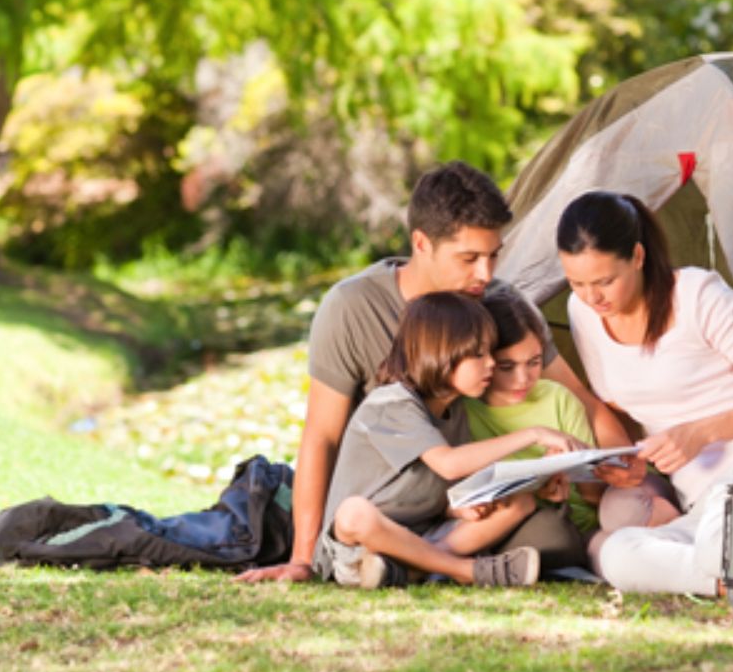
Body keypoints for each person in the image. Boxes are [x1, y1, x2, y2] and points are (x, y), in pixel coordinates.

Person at [238, 161, 635, 584]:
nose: (486, 274)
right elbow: (322, 435)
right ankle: (433, 565)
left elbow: (581, 401)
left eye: (494, 255)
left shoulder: (501, 303)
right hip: (389, 501)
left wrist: (624, 467)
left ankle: (406, 564)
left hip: (461, 505)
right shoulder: (352, 308)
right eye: (469, 258)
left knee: (551, 535)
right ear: (422, 243)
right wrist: (302, 558)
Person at [557, 190, 733, 595]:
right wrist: (634, 464)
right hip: (698, 506)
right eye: (576, 282)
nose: (592, 296)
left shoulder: (697, 296)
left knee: (729, 521)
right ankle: (731, 577)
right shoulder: (583, 313)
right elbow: (631, 408)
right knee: (613, 550)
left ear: (637, 256)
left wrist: (701, 432)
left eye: (605, 281)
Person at [314, 292, 583, 588]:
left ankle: (411, 571)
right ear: (440, 354)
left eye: (491, 353)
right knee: (353, 513)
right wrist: (533, 434)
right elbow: (449, 464)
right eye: (479, 354)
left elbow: (429, 489)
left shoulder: (455, 412)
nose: (491, 364)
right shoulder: (390, 404)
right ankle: (467, 570)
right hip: (359, 546)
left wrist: (458, 507)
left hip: (423, 537)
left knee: (519, 502)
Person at [465, 285, 681, 571]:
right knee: (610, 557)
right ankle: (676, 556)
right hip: (570, 530)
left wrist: (577, 471)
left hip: (607, 504)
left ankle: (682, 527)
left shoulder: (556, 397)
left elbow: (594, 495)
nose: (523, 379)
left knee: (621, 512)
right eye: (507, 366)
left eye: (534, 362)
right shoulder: (467, 412)